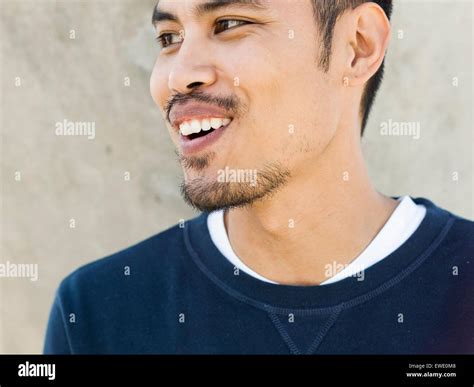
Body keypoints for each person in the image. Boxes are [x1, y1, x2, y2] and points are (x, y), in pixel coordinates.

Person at [44, 0, 473, 354]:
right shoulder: (97, 314)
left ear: (357, 46)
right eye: (169, 38)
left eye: (229, 24)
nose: (178, 75)